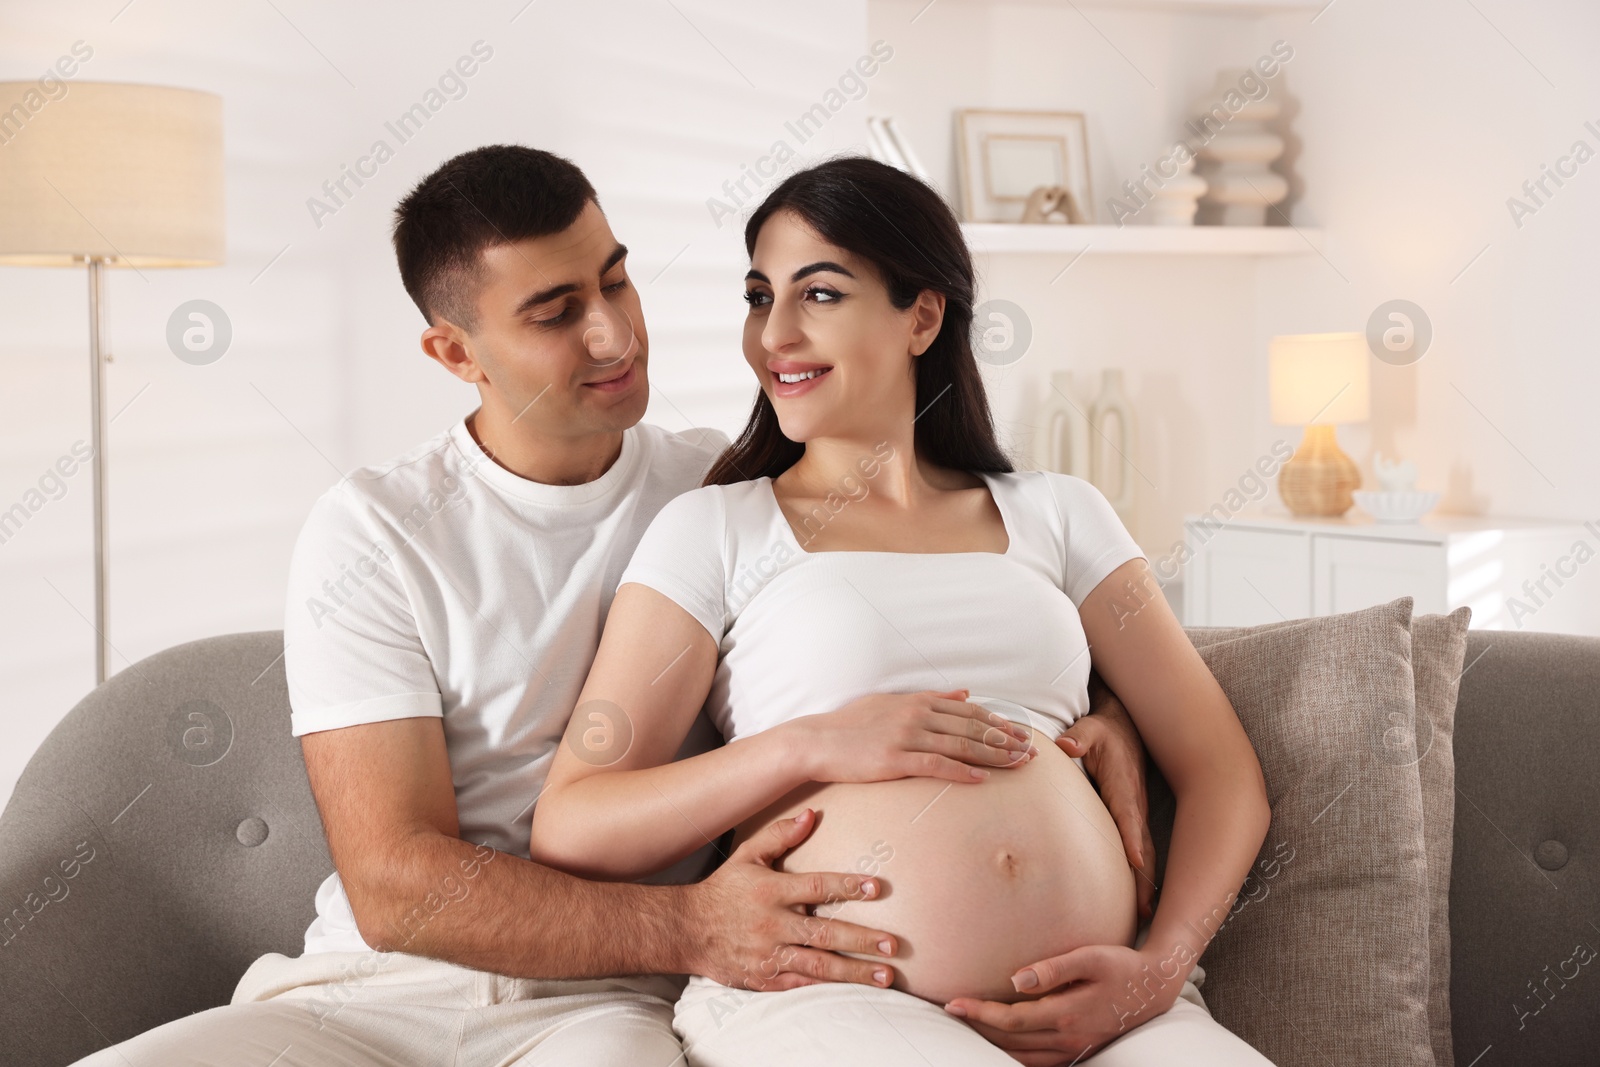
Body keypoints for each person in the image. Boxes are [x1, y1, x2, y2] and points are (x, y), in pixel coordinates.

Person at [70, 146, 1155, 1066]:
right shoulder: (376, 532)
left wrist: (1096, 722)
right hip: (377, 985)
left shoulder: (724, 491)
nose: (613, 333)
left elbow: (923, 585)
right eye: (555, 312)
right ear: (455, 352)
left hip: (610, 1001)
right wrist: (691, 922)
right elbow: (397, 879)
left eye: (616, 281)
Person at [528, 157, 1276, 1066]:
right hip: (835, 1001)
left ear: (923, 314)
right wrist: (810, 743)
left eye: (821, 294)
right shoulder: (715, 530)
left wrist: (1157, 973)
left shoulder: (1060, 512)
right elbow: (574, 824)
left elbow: (1220, 771)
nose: (776, 334)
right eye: (761, 297)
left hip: (1116, 1010)